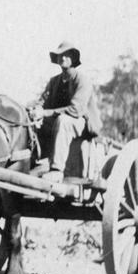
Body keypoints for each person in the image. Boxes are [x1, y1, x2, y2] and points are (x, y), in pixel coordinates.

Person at [28, 41, 101, 182]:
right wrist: (36, 111)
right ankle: (32, 161)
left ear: (73, 58)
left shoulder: (82, 80)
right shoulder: (54, 81)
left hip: (83, 123)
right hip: (58, 121)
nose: (62, 58)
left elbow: (76, 110)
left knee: (63, 122)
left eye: (66, 55)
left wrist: (45, 113)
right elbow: (42, 102)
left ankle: (57, 170)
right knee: (30, 123)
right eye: (59, 55)